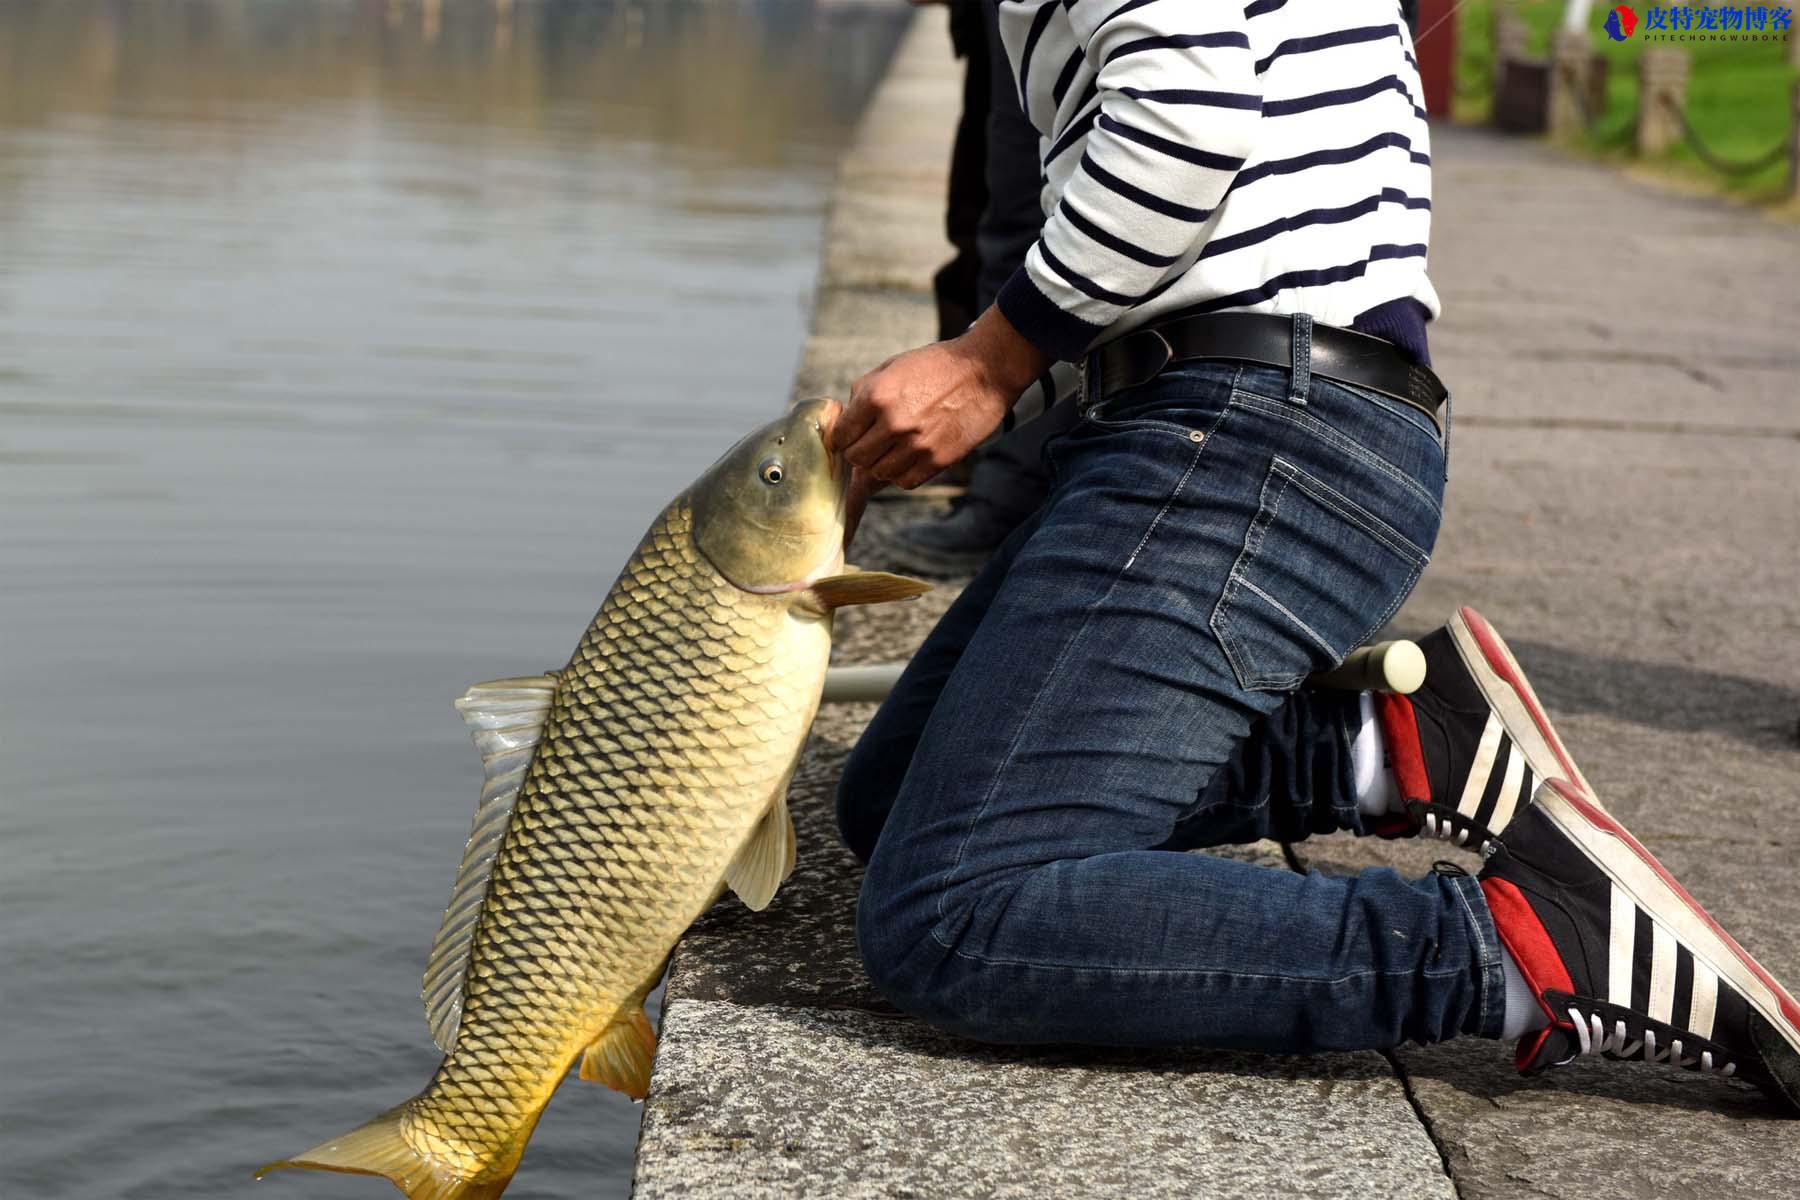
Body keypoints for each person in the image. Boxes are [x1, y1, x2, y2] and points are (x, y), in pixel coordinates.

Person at [828, 0, 1800, 1109]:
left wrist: (986, 365)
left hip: (1250, 434)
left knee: (949, 915)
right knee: (896, 801)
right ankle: (1377, 747)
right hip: (1278, 413)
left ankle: (1533, 948)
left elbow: (1186, 116)